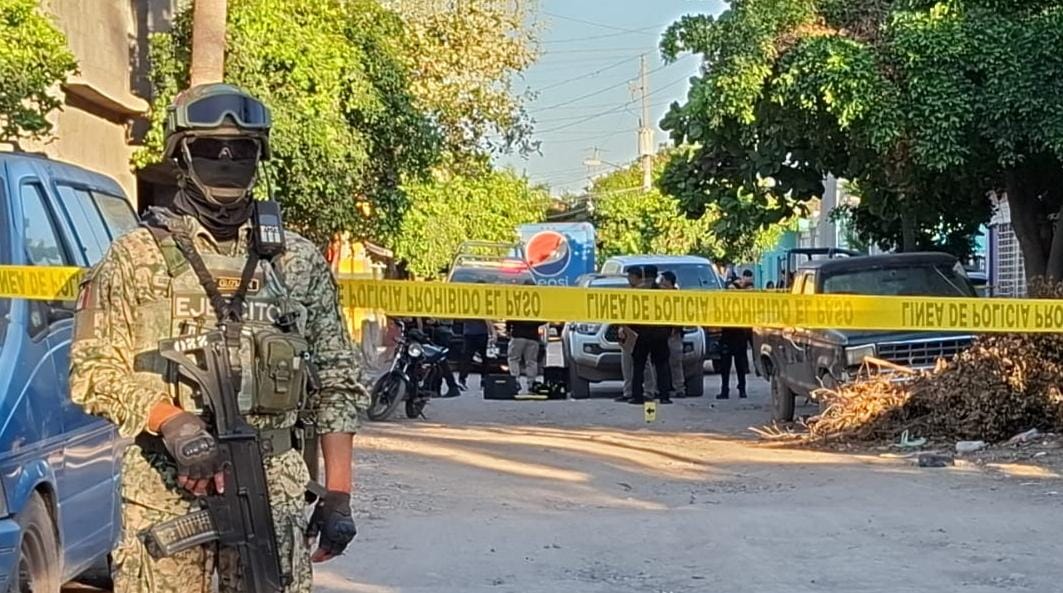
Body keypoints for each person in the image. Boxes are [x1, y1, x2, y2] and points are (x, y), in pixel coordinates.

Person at [68, 84, 363, 593]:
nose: (226, 160)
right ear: (181, 155)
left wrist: (338, 495)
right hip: (165, 490)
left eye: (241, 150)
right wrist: (173, 422)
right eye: (210, 147)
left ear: (258, 157)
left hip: (273, 492)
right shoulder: (135, 256)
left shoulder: (295, 261)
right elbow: (92, 371)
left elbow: (337, 380)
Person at [619, 265, 673, 405]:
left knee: (638, 366)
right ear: (656, 275)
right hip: (660, 334)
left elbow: (630, 312)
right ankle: (664, 396)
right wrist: (668, 331)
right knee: (662, 366)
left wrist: (631, 329)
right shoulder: (664, 292)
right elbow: (671, 312)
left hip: (643, 334)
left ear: (643, 275)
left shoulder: (637, 292)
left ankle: (637, 396)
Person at [616, 266, 656, 402]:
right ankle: (628, 392)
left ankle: (649, 391)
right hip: (628, 331)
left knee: (644, 364)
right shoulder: (628, 292)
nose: (628, 279)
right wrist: (622, 327)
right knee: (627, 364)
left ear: (636, 277)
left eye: (630, 276)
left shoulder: (645, 292)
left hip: (641, 332)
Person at [718, 270, 754, 399]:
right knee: (725, 366)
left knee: (740, 365)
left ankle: (742, 389)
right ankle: (725, 390)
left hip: (739, 336)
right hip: (727, 335)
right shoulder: (725, 304)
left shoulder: (743, 301)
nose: (731, 291)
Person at [506, 293, 544, 394]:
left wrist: (508, 329)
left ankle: (515, 381)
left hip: (518, 335)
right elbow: (544, 320)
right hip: (533, 337)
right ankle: (531, 384)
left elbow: (509, 317)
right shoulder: (537, 305)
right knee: (531, 361)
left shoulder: (517, 303)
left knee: (513, 359)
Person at [658, 271, 686, 398]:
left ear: (669, 282)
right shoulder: (657, 295)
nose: (661, 283)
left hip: (674, 334)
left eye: (663, 281)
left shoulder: (678, 297)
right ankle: (658, 388)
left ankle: (679, 388)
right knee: (659, 363)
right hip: (660, 334)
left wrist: (675, 328)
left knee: (675, 362)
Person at [459, 316, 496, 388]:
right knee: (484, 358)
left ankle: (462, 379)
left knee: (467, 357)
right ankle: (484, 379)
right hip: (479, 332)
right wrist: (493, 332)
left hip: (471, 332)